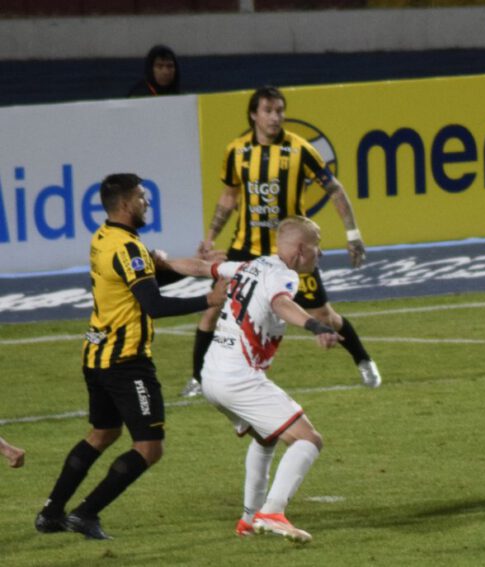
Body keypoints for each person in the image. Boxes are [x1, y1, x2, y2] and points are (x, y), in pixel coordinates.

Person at [34, 173, 224, 540]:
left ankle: (51, 512)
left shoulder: (104, 238)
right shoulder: (129, 248)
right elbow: (152, 304)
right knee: (149, 447)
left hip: (96, 356)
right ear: (124, 204)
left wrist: (191, 272)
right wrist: (208, 300)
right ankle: (86, 513)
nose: (147, 202)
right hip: (126, 363)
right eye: (141, 197)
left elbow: (142, 286)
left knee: (102, 434)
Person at [185, 85, 381, 398]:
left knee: (323, 316)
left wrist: (353, 234)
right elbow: (229, 195)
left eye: (279, 110)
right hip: (246, 247)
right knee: (213, 309)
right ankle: (197, 378)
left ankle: (363, 359)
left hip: (293, 251)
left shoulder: (300, 149)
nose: (276, 117)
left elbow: (334, 189)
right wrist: (209, 238)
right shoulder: (236, 150)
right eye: (268, 111)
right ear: (254, 114)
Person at [203, 216, 339, 543]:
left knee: (266, 437)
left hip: (212, 375)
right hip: (238, 378)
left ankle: (250, 519)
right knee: (308, 439)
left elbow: (197, 267)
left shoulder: (249, 265)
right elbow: (281, 303)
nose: (319, 255)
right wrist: (315, 326)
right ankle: (273, 512)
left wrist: (160, 262)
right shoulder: (283, 275)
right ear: (301, 248)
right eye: (317, 247)